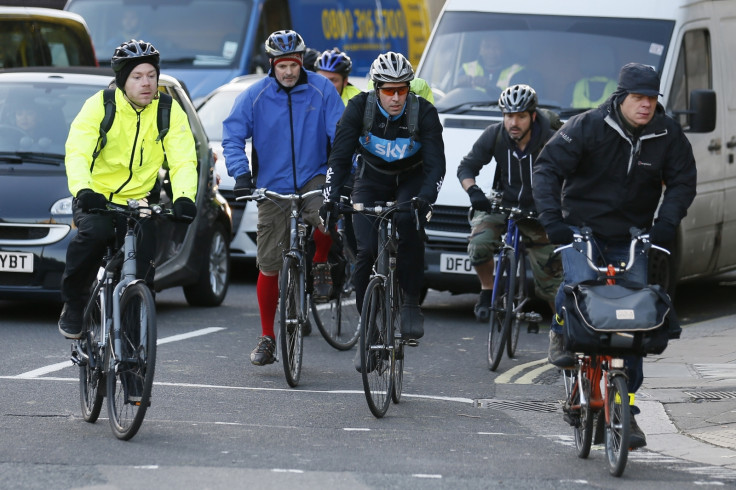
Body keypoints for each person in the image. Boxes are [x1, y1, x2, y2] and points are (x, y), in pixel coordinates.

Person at [533, 62, 697, 448]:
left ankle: (626, 409)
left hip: (633, 234)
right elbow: (547, 169)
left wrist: (662, 229)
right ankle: (561, 333)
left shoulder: (667, 133)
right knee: (577, 286)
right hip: (580, 228)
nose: (646, 105)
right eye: (639, 98)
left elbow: (683, 182)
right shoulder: (587, 126)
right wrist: (554, 225)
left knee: (634, 321)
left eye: (652, 99)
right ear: (621, 97)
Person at [58, 39, 199, 339]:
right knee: (93, 235)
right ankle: (74, 303)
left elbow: (183, 159)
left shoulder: (168, 111)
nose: (147, 83)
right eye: (137, 76)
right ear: (123, 81)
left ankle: (134, 360)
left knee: (143, 271)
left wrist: (184, 196)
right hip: (97, 198)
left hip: (139, 201)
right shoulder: (101, 105)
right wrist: (84, 190)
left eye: (151, 75)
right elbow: (78, 151)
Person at [221, 30, 344, 366]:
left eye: (293, 64)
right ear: (271, 64)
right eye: (281, 65)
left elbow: (343, 136)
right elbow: (232, 136)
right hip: (272, 185)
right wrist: (241, 174)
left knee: (325, 216)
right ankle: (267, 337)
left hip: (313, 175)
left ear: (301, 62)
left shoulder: (321, 90)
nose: (288, 71)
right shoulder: (254, 96)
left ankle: (319, 261)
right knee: (269, 265)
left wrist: (341, 177)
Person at [321, 51, 445, 367]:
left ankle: (410, 303)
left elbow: (435, 166)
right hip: (372, 178)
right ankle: (373, 334)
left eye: (401, 89)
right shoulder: (358, 109)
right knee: (364, 253)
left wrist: (425, 199)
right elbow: (338, 157)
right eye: (388, 90)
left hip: (410, 179)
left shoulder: (424, 112)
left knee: (409, 223)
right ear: (376, 88)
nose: (395, 97)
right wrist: (330, 199)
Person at [457, 84, 562, 324]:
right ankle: (487, 289)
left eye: (521, 116)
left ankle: (563, 333)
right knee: (479, 244)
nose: (514, 122)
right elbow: (466, 167)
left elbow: (573, 174)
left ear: (533, 116)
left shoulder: (552, 139)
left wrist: (558, 208)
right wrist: (473, 191)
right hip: (504, 204)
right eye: (508, 116)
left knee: (551, 286)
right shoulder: (495, 134)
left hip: (540, 211)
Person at [458, 36, 524, 96]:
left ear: (503, 50)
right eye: (487, 47)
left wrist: (489, 85)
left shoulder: (516, 72)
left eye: (496, 47)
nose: (491, 51)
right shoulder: (466, 68)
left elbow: (516, 100)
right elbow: (451, 93)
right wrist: (459, 83)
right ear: (480, 50)